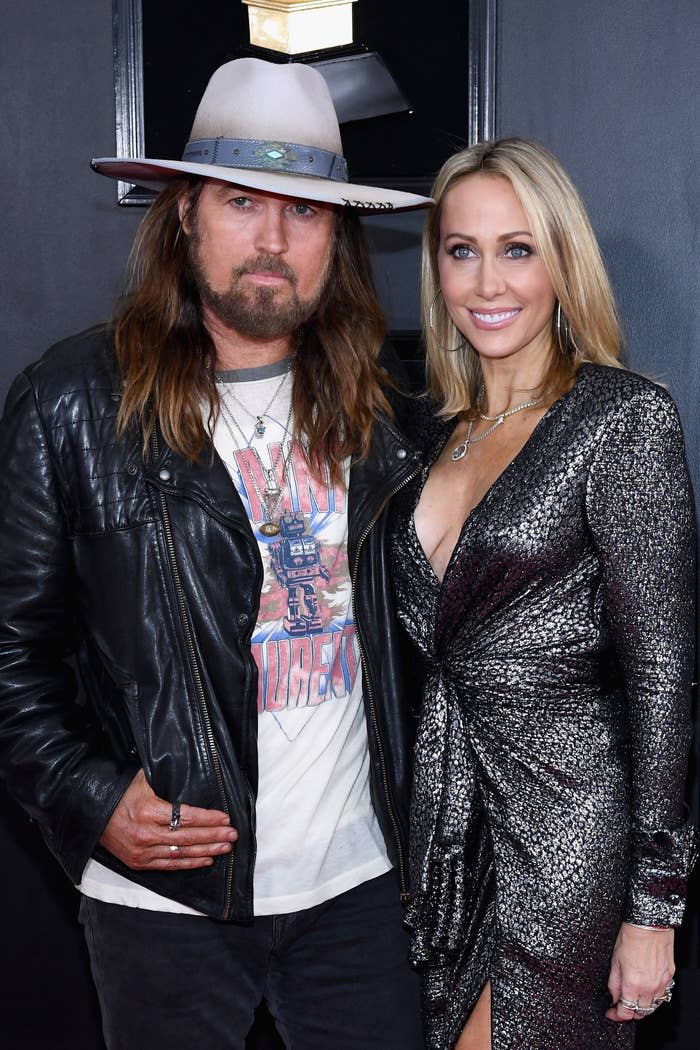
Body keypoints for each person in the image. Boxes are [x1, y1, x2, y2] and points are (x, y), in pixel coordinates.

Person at [0, 58, 432, 1050]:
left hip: (362, 894)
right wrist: (89, 794)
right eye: (242, 203)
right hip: (165, 910)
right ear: (185, 214)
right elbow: (11, 651)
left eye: (306, 212)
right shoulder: (70, 404)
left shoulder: (394, 411)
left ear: (339, 236)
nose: (272, 241)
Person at [387, 138, 698, 1049]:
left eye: (518, 249)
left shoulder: (620, 418)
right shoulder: (423, 433)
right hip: (445, 831)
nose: (489, 281)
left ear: (562, 263)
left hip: (569, 834)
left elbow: (665, 679)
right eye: (462, 249)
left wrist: (655, 907)